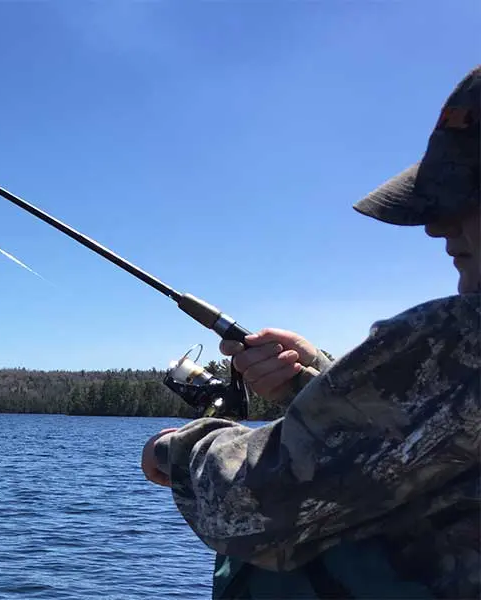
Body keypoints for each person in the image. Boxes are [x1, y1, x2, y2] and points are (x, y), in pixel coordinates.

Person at [140, 65, 479, 599]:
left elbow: (254, 503)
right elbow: (433, 428)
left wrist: (172, 449)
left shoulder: (466, 338)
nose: (437, 227)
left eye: (467, 198)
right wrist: (317, 381)